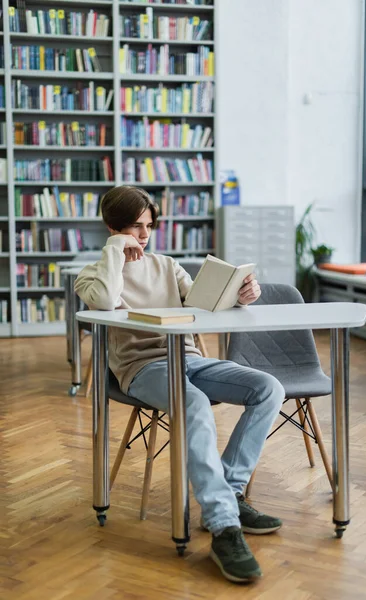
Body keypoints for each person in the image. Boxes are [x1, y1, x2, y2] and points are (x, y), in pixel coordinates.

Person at [75, 185, 285, 584]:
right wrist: (114, 251)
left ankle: (228, 492)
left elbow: (205, 303)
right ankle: (224, 524)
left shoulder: (168, 265)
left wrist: (242, 296)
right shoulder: (94, 274)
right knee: (193, 405)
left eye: (148, 226)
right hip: (143, 368)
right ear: (112, 228)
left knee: (268, 388)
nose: (143, 236)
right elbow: (103, 301)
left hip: (189, 360)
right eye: (134, 228)